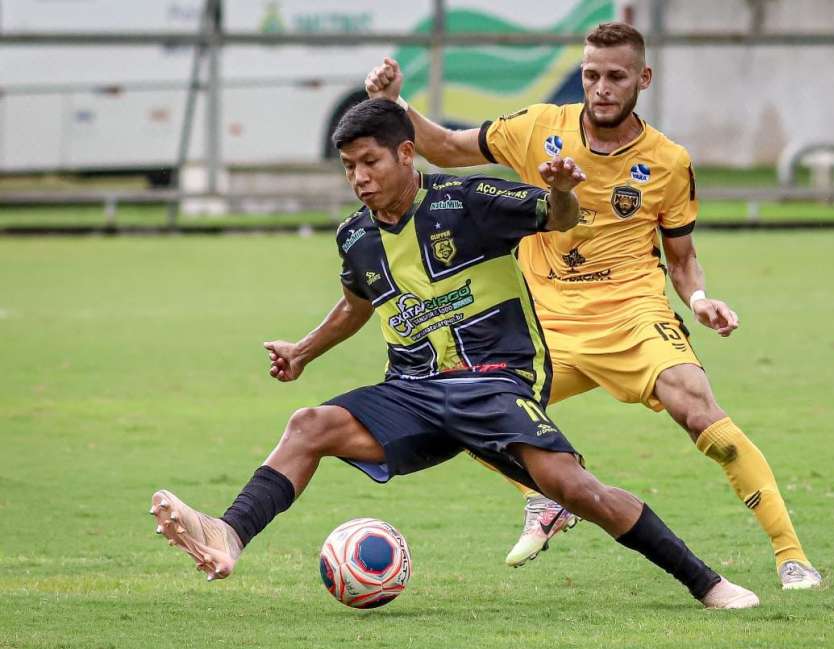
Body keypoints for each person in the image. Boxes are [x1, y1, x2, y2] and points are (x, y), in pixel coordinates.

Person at [149, 98, 759, 609]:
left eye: (369, 162)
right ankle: (227, 533)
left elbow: (561, 219)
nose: (359, 177)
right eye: (348, 167)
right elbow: (358, 304)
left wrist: (565, 192)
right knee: (308, 425)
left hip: (496, 381)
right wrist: (304, 352)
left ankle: (707, 583)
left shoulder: (468, 202)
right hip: (412, 392)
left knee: (574, 489)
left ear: (406, 154)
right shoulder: (356, 237)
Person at [363, 22, 821, 589]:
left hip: (632, 317)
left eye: (615, 76)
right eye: (590, 75)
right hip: (545, 324)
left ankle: (791, 555)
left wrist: (699, 298)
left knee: (704, 415)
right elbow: (446, 147)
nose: (601, 87)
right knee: (459, 404)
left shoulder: (668, 162)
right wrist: (394, 104)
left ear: (642, 79)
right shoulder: (538, 128)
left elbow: (682, 259)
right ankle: (546, 497)